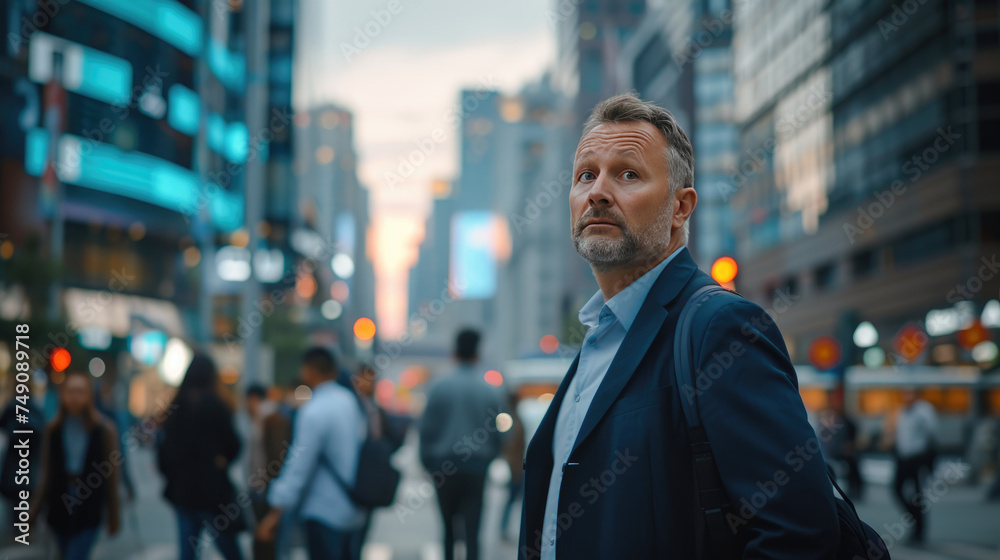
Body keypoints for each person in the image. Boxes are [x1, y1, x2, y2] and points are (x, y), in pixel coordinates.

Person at [517, 94, 839, 559]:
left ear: (681, 208)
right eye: (586, 175)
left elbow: (800, 537)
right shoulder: (598, 338)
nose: (598, 192)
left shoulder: (721, 329)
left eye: (628, 174)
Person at [257, 347, 367, 560]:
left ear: (309, 370)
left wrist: (276, 510)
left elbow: (299, 465)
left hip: (323, 509)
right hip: (353, 506)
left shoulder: (314, 410)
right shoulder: (350, 402)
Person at [419, 328, 505, 560]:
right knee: (473, 531)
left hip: (444, 465)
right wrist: (490, 458)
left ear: (455, 352)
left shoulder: (439, 387)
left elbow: (425, 429)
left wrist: (427, 463)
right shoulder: (489, 390)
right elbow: (498, 432)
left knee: (447, 530)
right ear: (477, 353)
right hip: (476, 467)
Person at [158, 353, 244, 560]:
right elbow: (234, 445)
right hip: (212, 493)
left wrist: (173, 477)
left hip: (183, 493)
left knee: (187, 551)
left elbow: (163, 453)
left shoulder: (175, 408)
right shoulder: (216, 405)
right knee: (230, 550)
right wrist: (219, 463)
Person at [30, 370, 121, 560]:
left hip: (89, 501)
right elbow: (46, 471)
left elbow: (112, 477)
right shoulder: (53, 429)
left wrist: (114, 513)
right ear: (63, 395)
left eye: (80, 392)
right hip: (59, 500)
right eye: (70, 391)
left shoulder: (104, 430)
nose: (75, 397)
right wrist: (34, 509)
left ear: (89, 396)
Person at [892, 387, 938, 543]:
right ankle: (915, 519)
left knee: (918, 495)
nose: (906, 396)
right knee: (897, 490)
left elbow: (932, 432)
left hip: (917, 458)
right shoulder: (902, 411)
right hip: (903, 457)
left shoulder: (923, 410)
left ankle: (919, 529)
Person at [499, 392, 525, 542]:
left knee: (512, 500)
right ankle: (504, 528)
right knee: (512, 500)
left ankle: (506, 528)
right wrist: (515, 468)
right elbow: (510, 446)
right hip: (515, 466)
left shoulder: (511, 418)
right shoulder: (511, 420)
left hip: (516, 465)